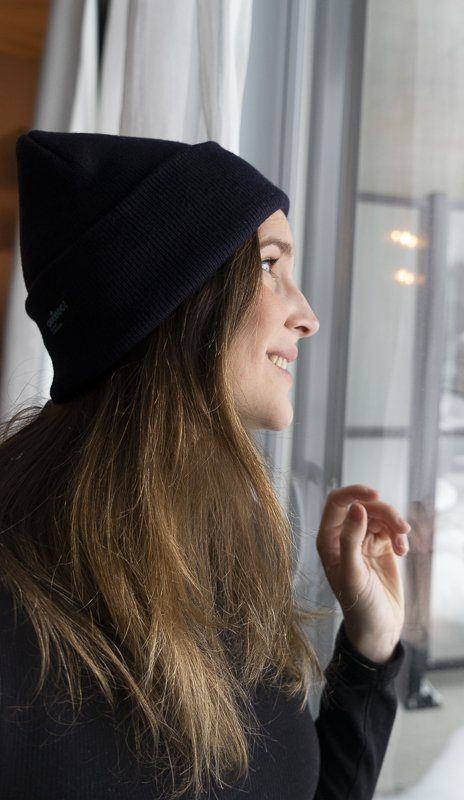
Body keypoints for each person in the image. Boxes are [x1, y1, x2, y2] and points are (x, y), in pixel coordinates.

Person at [0, 130, 410, 800]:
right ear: (175, 298)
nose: (304, 315)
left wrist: (368, 650)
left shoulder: (227, 558)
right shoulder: (18, 600)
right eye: (270, 264)